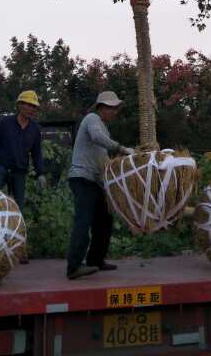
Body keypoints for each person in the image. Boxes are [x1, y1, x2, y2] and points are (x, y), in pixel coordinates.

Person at [66, 90, 134, 280]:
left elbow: (103, 156)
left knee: (104, 220)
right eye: (112, 108)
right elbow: (97, 138)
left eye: (115, 108)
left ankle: (95, 260)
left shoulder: (104, 126)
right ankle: (73, 267)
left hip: (96, 181)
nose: (115, 112)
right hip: (82, 178)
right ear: (102, 107)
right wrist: (120, 148)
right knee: (84, 221)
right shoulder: (92, 119)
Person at [0, 89, 46, 215]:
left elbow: (37, 154)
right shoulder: (6, 122)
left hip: (19, 172)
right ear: (20, 105)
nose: (32, 109)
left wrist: (40, 173)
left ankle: (14, 233)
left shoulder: (35, 129)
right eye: (29, 105)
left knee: (17, 209)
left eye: (34, 106)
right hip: (1, 168)